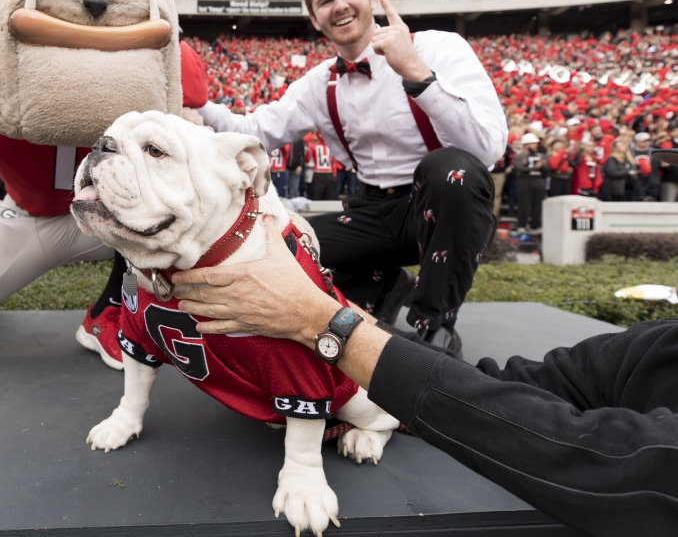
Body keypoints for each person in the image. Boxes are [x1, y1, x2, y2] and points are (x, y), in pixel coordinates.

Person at [168, 219, 678, 537]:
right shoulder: (661, 345)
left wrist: (324, 326)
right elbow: (517, 385)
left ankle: (429, 312)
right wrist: (329, 309)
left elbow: (615, 465)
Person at [196, 0, 507, 354]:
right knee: (285, 246)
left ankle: (435, 327)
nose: (339, 6)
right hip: (371, 213)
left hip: (442, 207)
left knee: (450, 169)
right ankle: (384, 283)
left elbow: (487, 150)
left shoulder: (439, 48)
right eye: (326, 1)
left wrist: (415, 72)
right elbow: (254, 130)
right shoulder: (317, 83)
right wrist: (198, 100)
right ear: (314, 17)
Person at [513, 133, 548, 232]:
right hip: (524, 181)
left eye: (536, 143)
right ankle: (522, 225)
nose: (536, 146)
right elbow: (518, 168)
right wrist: (534, 167)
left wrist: (543, 165)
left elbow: (547, 170)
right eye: (533, 143)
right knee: (524, 204)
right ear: (526, 145)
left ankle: (535, 225)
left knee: (537, 204)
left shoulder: (541, 155)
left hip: (538, 180)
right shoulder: (519, 156)